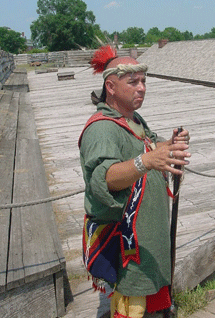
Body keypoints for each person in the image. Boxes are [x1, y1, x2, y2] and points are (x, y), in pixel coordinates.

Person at [79, 45, 190, 318]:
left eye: (143, 82)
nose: (141, 88)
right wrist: (148, 161)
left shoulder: (134, 119)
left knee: (152, 300)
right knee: (132, 306)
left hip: (148, 236)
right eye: (133, 82)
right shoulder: (102, 128)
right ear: (111, 87)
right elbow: (103, 179)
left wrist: (169, 145)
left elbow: (145, 146)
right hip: (128, 241)